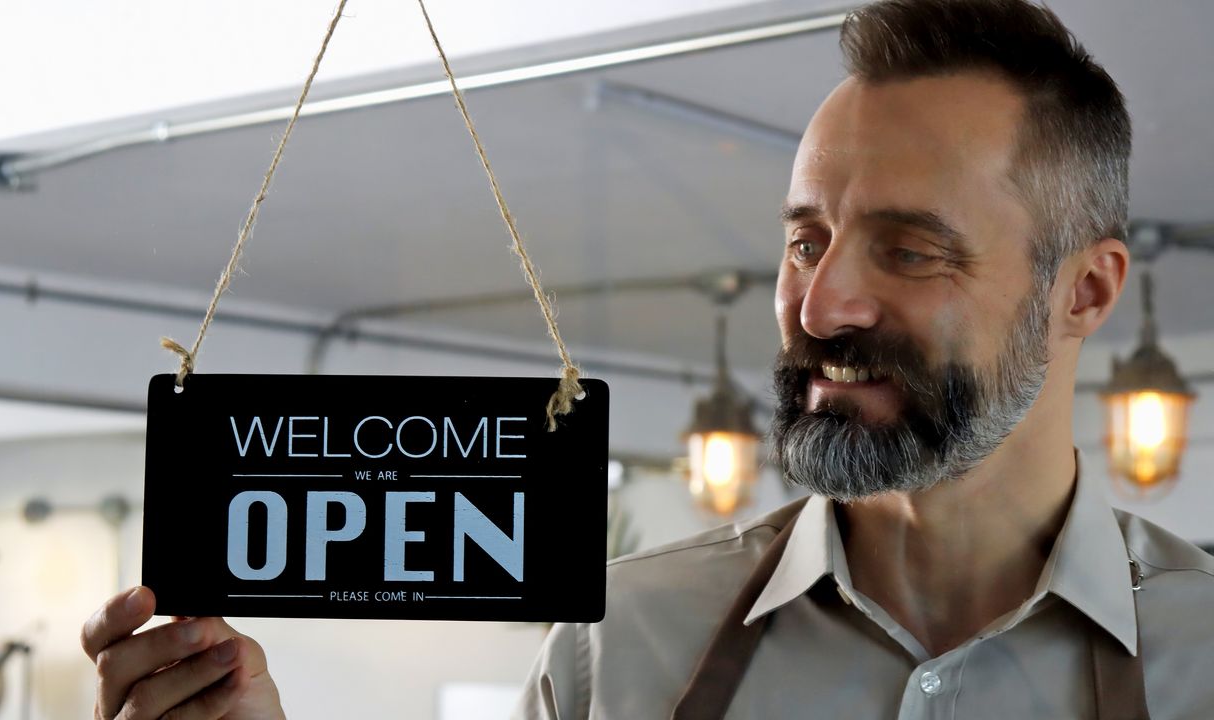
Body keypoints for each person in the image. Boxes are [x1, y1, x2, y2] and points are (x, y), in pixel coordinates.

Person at [81, 0, 1214, 717]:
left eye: (909, 250)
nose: (819, 304)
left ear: (1086, 290)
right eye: (803, 241)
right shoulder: (619, 648)